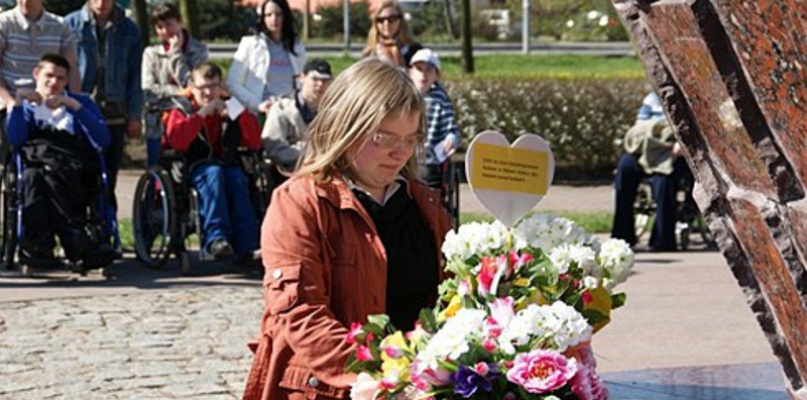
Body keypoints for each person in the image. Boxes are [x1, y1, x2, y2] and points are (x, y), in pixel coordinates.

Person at [242, 58, 451, 400]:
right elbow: (303, 314)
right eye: (383, 138)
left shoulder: (427, 207)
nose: (399, 152)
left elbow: (451, 301)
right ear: (346, 127)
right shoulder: (298, 203)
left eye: (410, 139)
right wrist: (387, 379)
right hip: (329, 389)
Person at [6, 53, 115, 267]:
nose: (54, 82)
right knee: (33, 176)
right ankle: (74, 238)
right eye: (49, 76)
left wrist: (74, 106)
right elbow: (16, 139)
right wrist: (17, 103)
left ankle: (40, 244)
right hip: (39, 165)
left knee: (42, 175)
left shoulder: (80, 102)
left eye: (61, 78)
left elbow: (103, 140)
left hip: (75, 169)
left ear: (67, 81)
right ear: (36, 74)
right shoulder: (26, 106)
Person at [164, 62, 261, 261]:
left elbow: (254, 142)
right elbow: (177, 141)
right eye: (203, 87)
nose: (208, 93)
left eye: (214, 86)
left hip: (225, 164)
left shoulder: (230, 105)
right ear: (192, 86)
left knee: (236, 177)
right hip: (192, 166)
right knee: (213, 174)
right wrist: (201, 115)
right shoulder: (181, 108)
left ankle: (248, 245)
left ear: (221, 87)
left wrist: (238, 112)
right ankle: (216, 238)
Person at [65, 0, 143, 203]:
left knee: (108, 176)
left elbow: (135, 77)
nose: (101, 3)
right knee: (79, 173)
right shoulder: (69, 25)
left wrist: (135, 115)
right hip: (80, 110)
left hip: (114, 112)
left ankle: (105, 217)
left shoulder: (130, 29)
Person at [0, 0, 81, 161]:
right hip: (13, 102)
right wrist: (10, 103)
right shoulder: (4, 23)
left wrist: (73, 102)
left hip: (52, 105)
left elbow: (72, 69)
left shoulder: (60, 26)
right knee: (17, 153)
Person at [611, 92, 690, 251]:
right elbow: (639, 127)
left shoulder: (689, 97)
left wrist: (684, 143)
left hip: (672, 150)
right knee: (625, 168)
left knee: (664, 178)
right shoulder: (652, 98)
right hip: (647, 148)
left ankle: (662, 239)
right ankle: (622, 236)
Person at [142, 2, 208, 167]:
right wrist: (179, 92)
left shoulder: (199, 50)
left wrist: (175, 55)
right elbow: (149, 90)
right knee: (156, 168)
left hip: (189, 119)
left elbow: (194, 85)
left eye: (169, 24)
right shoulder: (151, 53)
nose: (165, 31)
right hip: (159, 122)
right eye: (160, 27)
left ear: (180, 23)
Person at [228, 0, 306, 116]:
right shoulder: (250, 43)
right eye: (269, 15)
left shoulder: (296, 45)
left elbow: (303, 81)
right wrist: (258, 105)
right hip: (258, 113)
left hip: (289, 111)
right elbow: (233, 83)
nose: (274, 19)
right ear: (262, 18)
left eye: (278, 14)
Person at [261, 57, 331, 172]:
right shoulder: (281, 108)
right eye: (315, 79)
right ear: (302, 78)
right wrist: (309, 152)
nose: (320, 84)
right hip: (287, 172)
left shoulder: (333, 112)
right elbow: (274, 149)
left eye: (325, 80)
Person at [407, 47, 460, 189]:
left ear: (437, 75)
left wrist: (451, 138)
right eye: (419, 69)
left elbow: (451, 126)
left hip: (429, 160)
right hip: (404, 157)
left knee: (428, 179)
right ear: (410, 72)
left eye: (429, 70)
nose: (423, 74)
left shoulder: (440, 98)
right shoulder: (404, 96)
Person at [362, 0, 415, 67]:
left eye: (392, 19)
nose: (386, 23)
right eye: (381, 20)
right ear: (375, 24)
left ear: (401, 21)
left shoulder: (414, 52)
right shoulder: (370, 53)